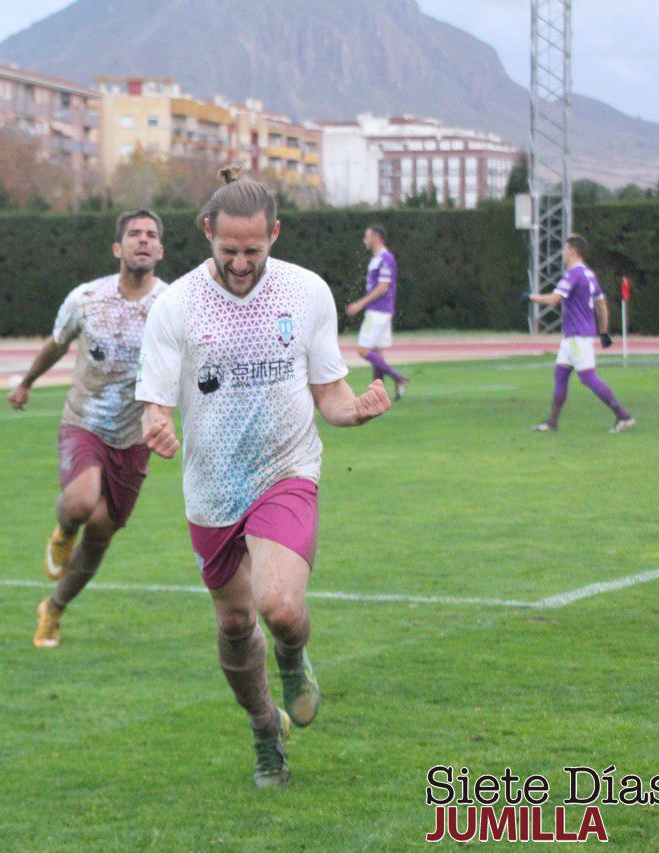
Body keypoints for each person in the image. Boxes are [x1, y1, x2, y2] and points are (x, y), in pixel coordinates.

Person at [135, 168, 391, 788]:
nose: (242, 263)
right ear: (206, 233)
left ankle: (295, 658)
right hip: (213, 485)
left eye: (254, 250)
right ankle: (264, 730)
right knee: (233, 624)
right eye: (229, 251)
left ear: (274, 233)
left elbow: (329, 393)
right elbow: (155, 406)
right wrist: (157, 428)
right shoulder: (176, 306)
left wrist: (352, 411)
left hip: (287, 468)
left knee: (278, 607)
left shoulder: (306, 293)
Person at [8, 210, 167, 648]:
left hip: (135, 437)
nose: (142, 240)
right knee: (80, 503)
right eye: (134, 234)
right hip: (85, 422)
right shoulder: (86, 298)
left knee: (99, 536)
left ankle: (54, 608)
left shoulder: (171, 306)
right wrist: (26, 382)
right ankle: (62, 533)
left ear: (160, 250)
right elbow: (57, 343)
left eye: (151, 235)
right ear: (118, 248)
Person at [530, 235, 634, 433]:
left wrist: (532, 298)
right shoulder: (589, 275)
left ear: (573, 251)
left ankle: (623, 416)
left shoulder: (573, 274)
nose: (562, 253)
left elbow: (554, 299)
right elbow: (601, 303)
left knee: (588, 378)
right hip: (574, 335)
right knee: (560, 374)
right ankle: (551, 423)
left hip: (577, 335)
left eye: (565, 249)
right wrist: (603, 331)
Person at [346, 224, 408, 399]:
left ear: (376, 238)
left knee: (363, 350)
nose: (365, 240)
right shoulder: (377, 258)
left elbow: (383, 287)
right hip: (380, 311)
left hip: (378, 311)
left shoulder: (385, 258)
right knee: (377, 354)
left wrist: (359, 304)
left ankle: (398, 377)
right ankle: (378, 394)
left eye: (367, 236)